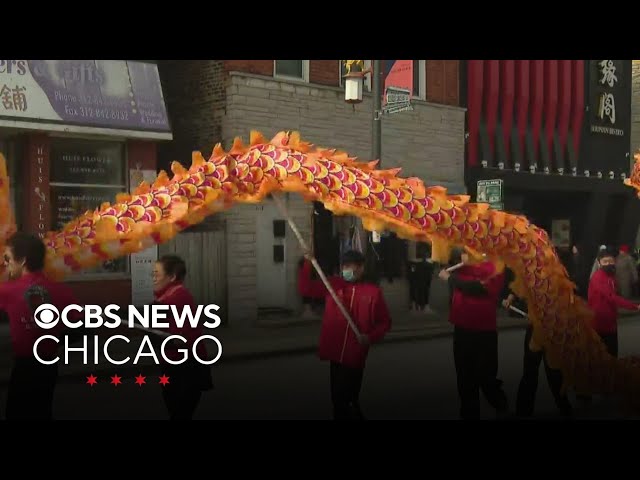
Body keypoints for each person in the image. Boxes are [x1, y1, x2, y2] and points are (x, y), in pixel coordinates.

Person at [0, 232, 80, 420]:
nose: (5, 263)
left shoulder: (8, 290)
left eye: (7, 258)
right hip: (49, 366)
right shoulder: (62, 291)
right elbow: (82, 328)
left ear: (23, 261)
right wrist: (54, 341)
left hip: (25, 366)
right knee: (42, 411)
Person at [317, 250, 391, 420]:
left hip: (355, 354)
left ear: (361, 268)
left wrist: (370, 337)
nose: (346, 269)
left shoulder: (372, 292)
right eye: (344, 266)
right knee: (337, 400)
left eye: (350, 266)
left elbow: (385, 322)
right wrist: (307, 263)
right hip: (335, 353)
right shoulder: (334, 286)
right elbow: (306, 287)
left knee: (349, 400)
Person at [438, 248, 508, 420]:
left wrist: (450, 279)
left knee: (486, 379)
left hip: (484, 330)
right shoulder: (463, 264)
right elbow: (443, 259)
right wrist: (453, 259)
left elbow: (479, 288)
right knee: (464, 379)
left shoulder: (496, 264)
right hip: (462, 328)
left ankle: (500, 403)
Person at [152, 254, 213, 420]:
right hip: (173, 364)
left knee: (180, 414)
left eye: (157, 274)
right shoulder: (166, 297)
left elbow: (176, 338)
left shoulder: (177, 297)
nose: (153, 278)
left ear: (172, 277)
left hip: (186, 367)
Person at [502, 284, 572, 419]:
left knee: (554, 371)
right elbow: (520, 285)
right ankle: (524, 412)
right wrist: (511, 297)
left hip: (551, 328)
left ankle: (565, 408)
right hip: (534, 329)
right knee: (529, 372)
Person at [588, 247, 640, 357]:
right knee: (604, 358)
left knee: (612, 355)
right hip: (600, 324)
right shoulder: (598, 278)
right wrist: (634, 306)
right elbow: (612, 296)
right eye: (605, 262)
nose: (608, 264)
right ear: (599, 263)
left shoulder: (610, 276)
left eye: (611, 261)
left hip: (610, 323)